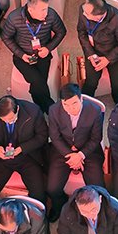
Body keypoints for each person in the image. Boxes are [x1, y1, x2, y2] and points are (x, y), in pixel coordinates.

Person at [46, 84, 105, 219]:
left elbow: (96, 138)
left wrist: (80, 155)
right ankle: (60, 206)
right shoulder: (54, 110)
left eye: (74, 104)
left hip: (88, 151)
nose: (71, 108)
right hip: (63, 151)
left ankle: (95, 211)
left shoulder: (94, 110)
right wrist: (71, 155)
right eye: (66, 105)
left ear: (81, 99)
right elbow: (55, 137)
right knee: (52, 189)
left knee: (99, 188)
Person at [0, 96, 48, 207]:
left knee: (39, 196)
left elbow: (42, 136)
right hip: (0, 159)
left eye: (11, 119)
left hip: (27, 157)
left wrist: (22, 148)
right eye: (4, 120)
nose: (8, 122)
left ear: (18, 109)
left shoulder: (33, 111)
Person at [77, 0, 118, 103]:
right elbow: (82, 33)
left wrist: (108, 59)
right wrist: (90, 54)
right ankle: (85, 105)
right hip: (93, 51)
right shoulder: (84, 9)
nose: (83, 14)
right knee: (90, 83)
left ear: (98, 17)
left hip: (113, 53)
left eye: (87, 14)